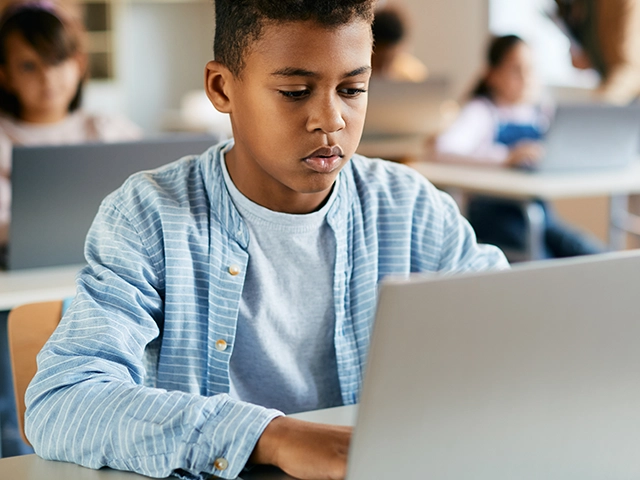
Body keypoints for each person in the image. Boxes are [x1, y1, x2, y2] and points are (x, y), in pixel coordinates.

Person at [24, 1, 507, 479]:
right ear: (221, 88)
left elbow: (513, 339)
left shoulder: (411, 208)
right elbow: (62, 402)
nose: (331, 119)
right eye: (296, 91)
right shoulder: (148, 216)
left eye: (353, 88)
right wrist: (272, 437)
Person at [436, 34, 604, 259]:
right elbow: (442, 149)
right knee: (547, 264)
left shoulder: (541, 113)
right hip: (495, 219)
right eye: (516, 69)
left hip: (541, 216)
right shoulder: (482, 111)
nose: (525, 78)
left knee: (592, 253)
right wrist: (506, 158)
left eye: (530, 69)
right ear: (492, 74)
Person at [0, 0, 142, 256]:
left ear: (78, 64)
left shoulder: (109, 130)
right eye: (29, 66)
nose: (48, 77)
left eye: (57, 61)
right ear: (6, 76)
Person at [552, 0, 640, 105]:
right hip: (598, 86)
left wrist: (598, 107)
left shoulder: (623, 3)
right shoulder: (564, 6)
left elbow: (630, 69)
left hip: (623, 98)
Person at [371, 3, 428, 82]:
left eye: (389, 61)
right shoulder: (357, 73)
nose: (383, 70)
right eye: (378, 62)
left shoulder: (412, 75)